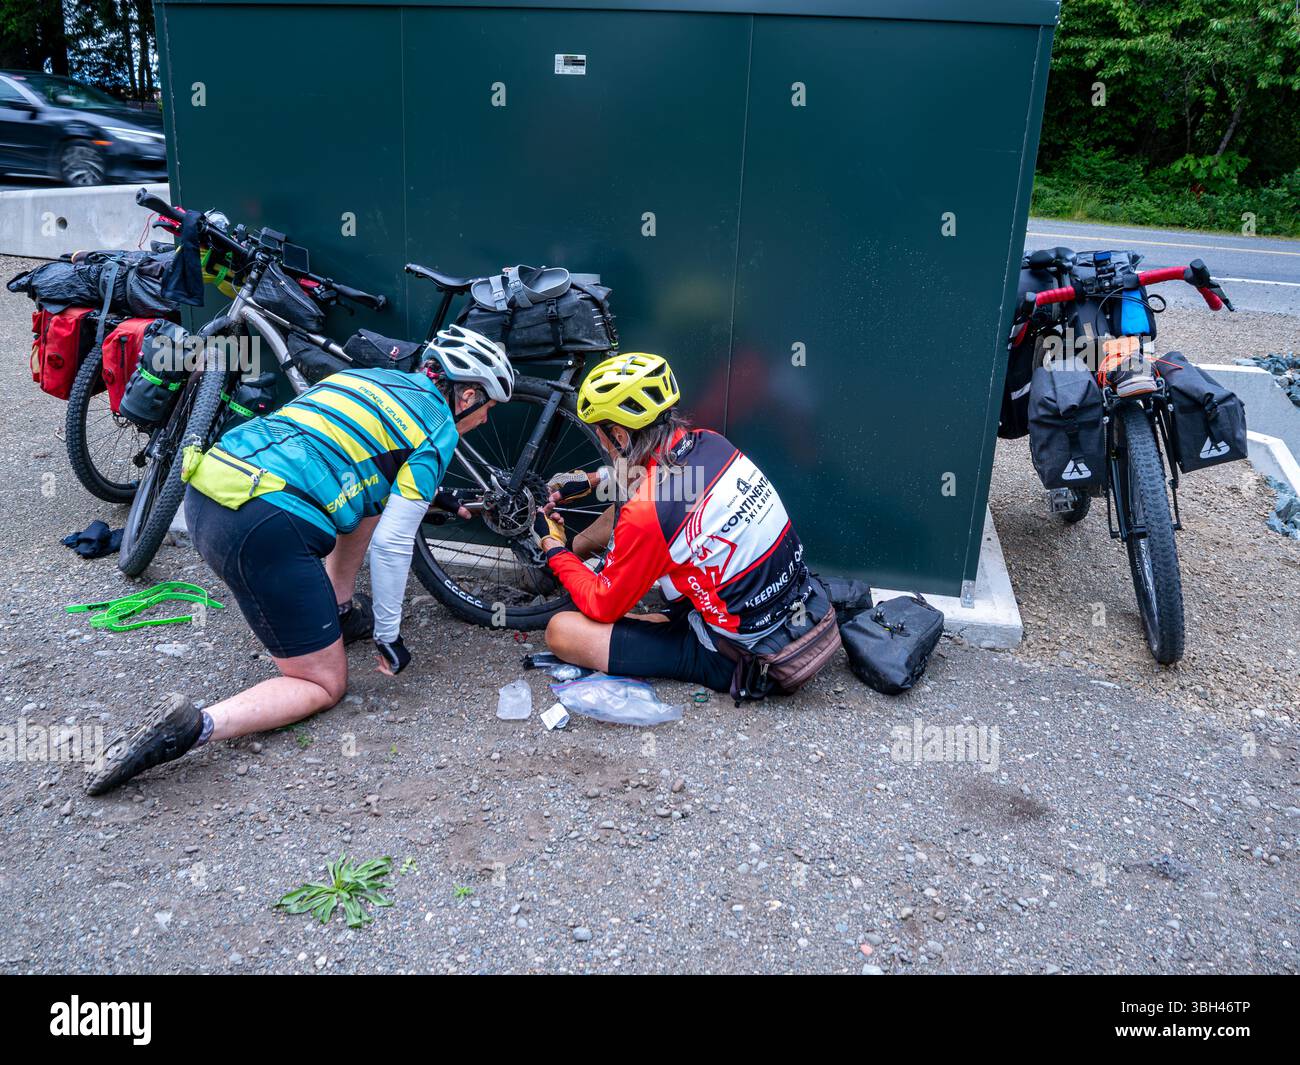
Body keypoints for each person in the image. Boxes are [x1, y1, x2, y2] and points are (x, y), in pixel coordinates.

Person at [85, 325, 515, 795]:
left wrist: (440, 497)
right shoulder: (438, 428)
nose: (487, 420)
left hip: (210, 494)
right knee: (324, 684)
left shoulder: (364, 378)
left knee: (368, 506)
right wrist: (390, 637)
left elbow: (356, 465)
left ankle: (338, 609)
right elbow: (394, 546)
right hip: (264, 530)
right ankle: (193, 727)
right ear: (468, 394)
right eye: (489, 409)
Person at [536, 352, 837, 696]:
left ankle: (673, 632)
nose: (601, 442)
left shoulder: (647, 512)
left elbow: (602, 605)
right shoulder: (711, 443)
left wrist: (554, 547)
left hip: (740, 655)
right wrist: (592, 480)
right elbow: (666, 475)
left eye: (601, 435)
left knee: (561, 630)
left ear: (619, 435)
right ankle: (662, 624)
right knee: (647, 516)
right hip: (797, 609)